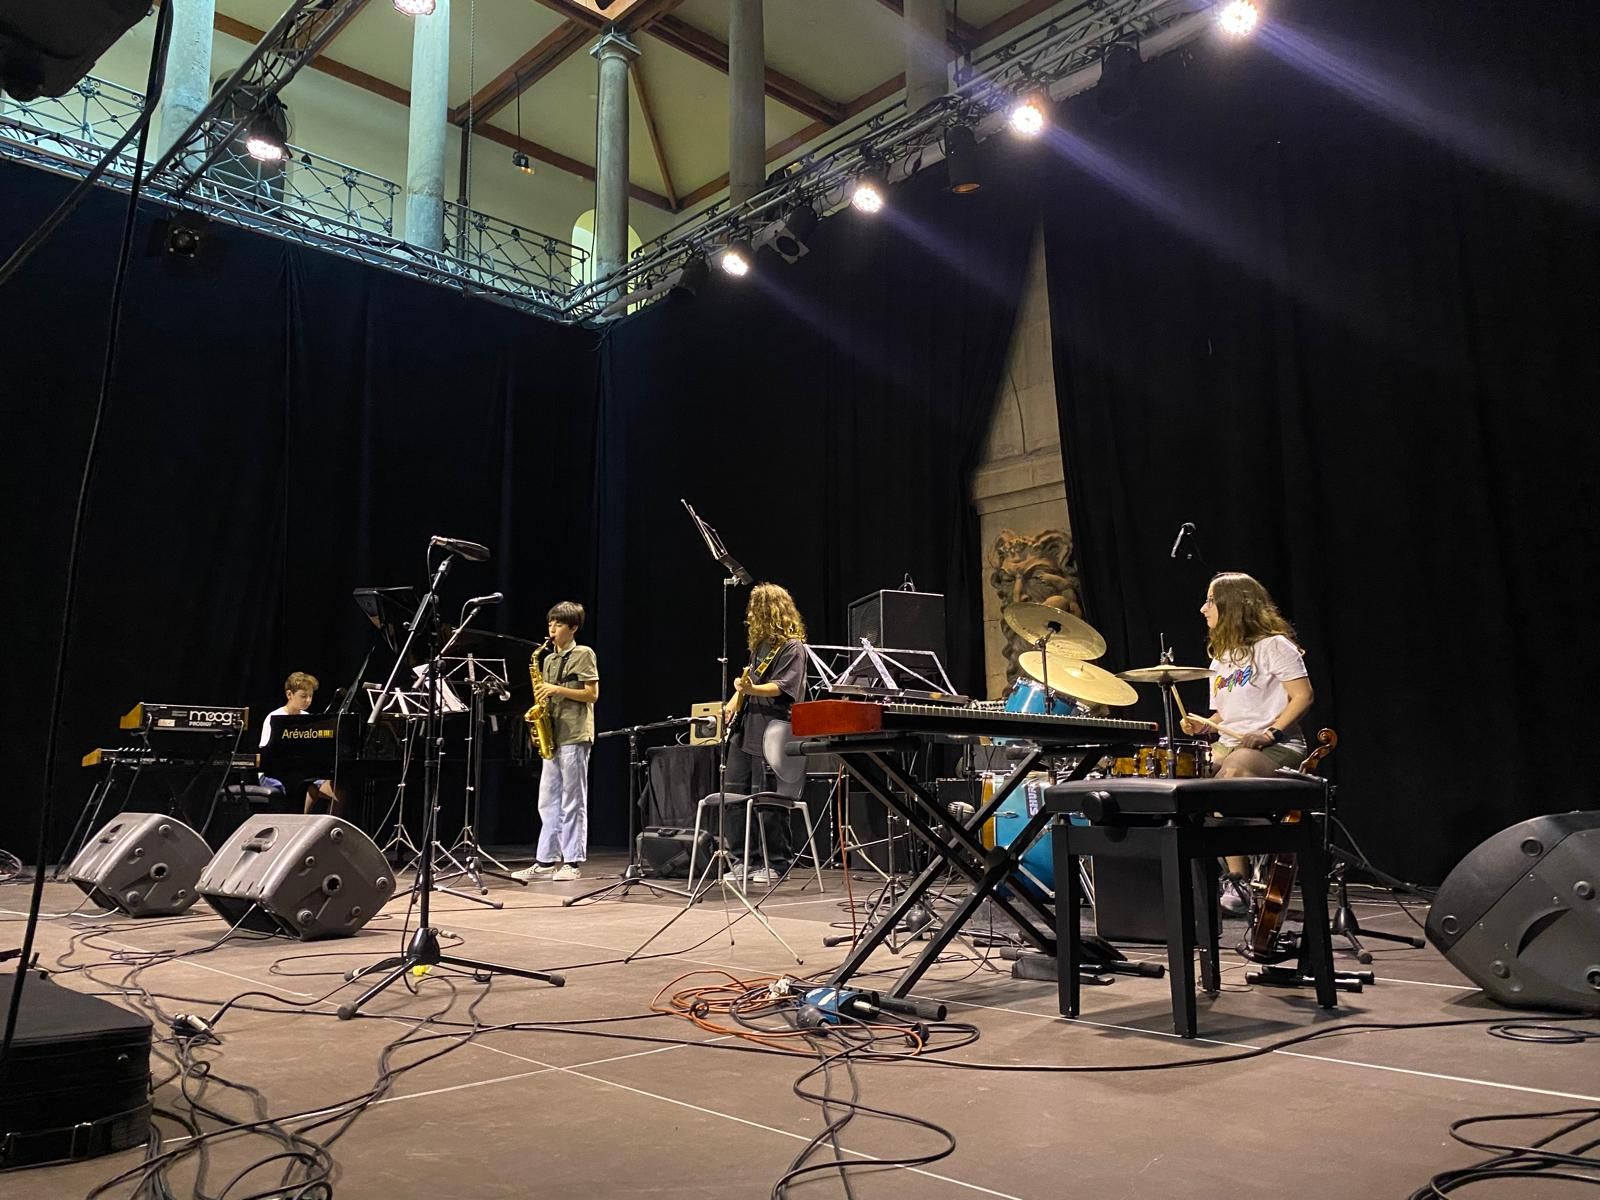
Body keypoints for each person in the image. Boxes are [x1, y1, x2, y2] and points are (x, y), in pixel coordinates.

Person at [1178, 572, 1315, 916]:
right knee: (1190, 777)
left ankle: (1238, 878)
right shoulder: (1220, 658)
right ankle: (1229, 879)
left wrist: (1271, 732)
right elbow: (1225, 716)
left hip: (1276, 746)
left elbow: (1303, 696)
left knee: (1233, 770)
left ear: (1232, 605)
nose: (1203, 608)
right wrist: (1204, 725)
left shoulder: (1275, 645)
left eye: (1210, 601)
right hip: (1230, 746)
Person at [720, 583, 809, 885]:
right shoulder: (760, 647)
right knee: (734, 795)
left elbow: (782, 687)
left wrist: (751, 689)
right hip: (747, 729)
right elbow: (749, 682)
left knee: (769, 799)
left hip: (774, 728)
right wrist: (733, 701)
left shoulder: (792, 648)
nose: (750, 615)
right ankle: (743, 859)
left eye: (755, 608)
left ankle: (776, 863)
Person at [514, 602, 599, 882]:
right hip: (553, 733)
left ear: (573, 628)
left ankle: (572, 861)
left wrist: (556, 689)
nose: (552, 628)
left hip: (575, 732)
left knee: (572, 800)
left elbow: (591, 694)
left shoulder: (583, 653)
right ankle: (545, 860)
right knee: (547, 800)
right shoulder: (547, 659)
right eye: (550, 622)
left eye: (559, 624)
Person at [259, 671, 344, 816]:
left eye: (310, 696)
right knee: (302, 788)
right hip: (273, 774)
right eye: (303, 696)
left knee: (338, 794)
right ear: (289, 695)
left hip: (304, 772)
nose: (308, 700)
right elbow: (267, 753)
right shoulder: (274, 717)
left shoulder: (308, 718)